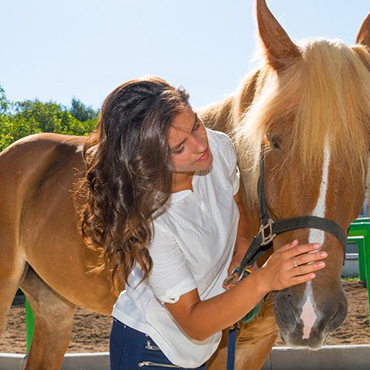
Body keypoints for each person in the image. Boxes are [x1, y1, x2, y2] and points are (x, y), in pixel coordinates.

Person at [77, 77, 327, 369]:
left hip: (197, 350)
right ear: (147, 159)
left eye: (196, 124)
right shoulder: (153, 225)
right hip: (149, 349)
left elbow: (236, 204)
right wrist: (264, 280)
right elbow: (194, 322)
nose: (200, 145)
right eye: (179, 148)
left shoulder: (219, 148)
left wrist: (242, 250)